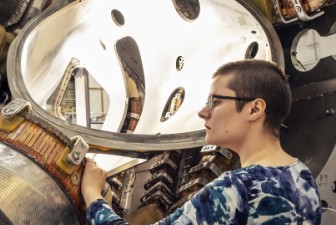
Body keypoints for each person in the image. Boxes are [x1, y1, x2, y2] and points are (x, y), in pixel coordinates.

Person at [81, 59, 322, 225]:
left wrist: (93, 195)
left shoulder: (236, 189)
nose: (203, 112)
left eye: (215, 101)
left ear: (254, 109)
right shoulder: (301, 176)